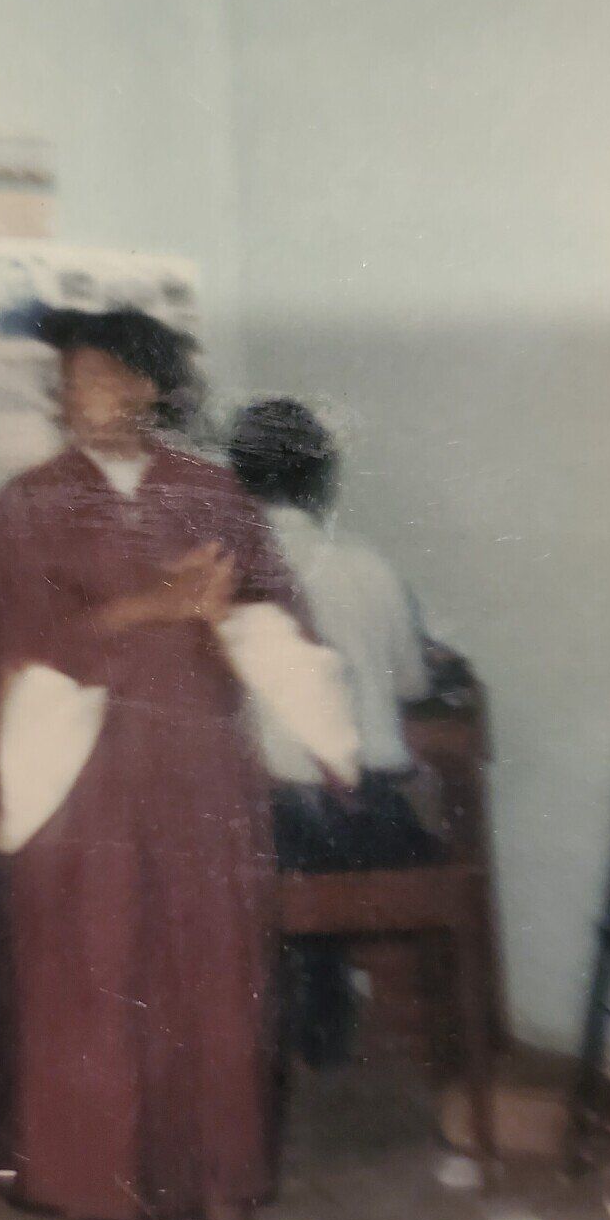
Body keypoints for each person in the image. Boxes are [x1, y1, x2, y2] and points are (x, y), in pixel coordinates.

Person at [0, 308, 353, 1220]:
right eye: (66, 380)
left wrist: (231, 618)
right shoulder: (25, 505)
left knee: (220, 1011)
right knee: (102, 1019)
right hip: (86, 801)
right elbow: (6, 646)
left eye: (98, 376)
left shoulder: (215, 494)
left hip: (202, 791)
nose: (76, 396)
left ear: (149, 388)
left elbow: (279, 622)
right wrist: (143, 611)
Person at [226, 397, 439, 1068]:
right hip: (368, 829)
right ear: (321, 481)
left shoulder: (221, 574)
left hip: (270, 832)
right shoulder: (368, 566)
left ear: (236, 482)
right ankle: (350, 1023)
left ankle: (311, 1018)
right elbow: (414, 687)